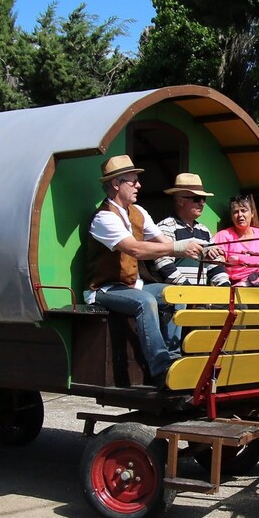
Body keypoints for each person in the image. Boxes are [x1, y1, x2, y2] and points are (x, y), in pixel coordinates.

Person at [85, 155, 205, 387]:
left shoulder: (138, 211)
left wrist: (203, 251)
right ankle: (160, 369)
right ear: (116, 184)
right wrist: (181, 247)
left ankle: (173, 360)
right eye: (133, 181)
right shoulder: (103, 218)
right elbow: (136, 250)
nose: (139, 185)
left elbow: (162, 242)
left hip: (135, 285)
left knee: (176, 293)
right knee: (146, 302)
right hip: (105, 288)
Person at [152, 173, 231, 287]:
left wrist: (226, 287)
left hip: (197, 298)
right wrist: (188, 289)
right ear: (180, 201)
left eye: (203, 199)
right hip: (175, 299)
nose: (202, 203)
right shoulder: (165, 227)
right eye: (197, 199)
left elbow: (214, 264)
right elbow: (163, 264)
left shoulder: (204, 231)